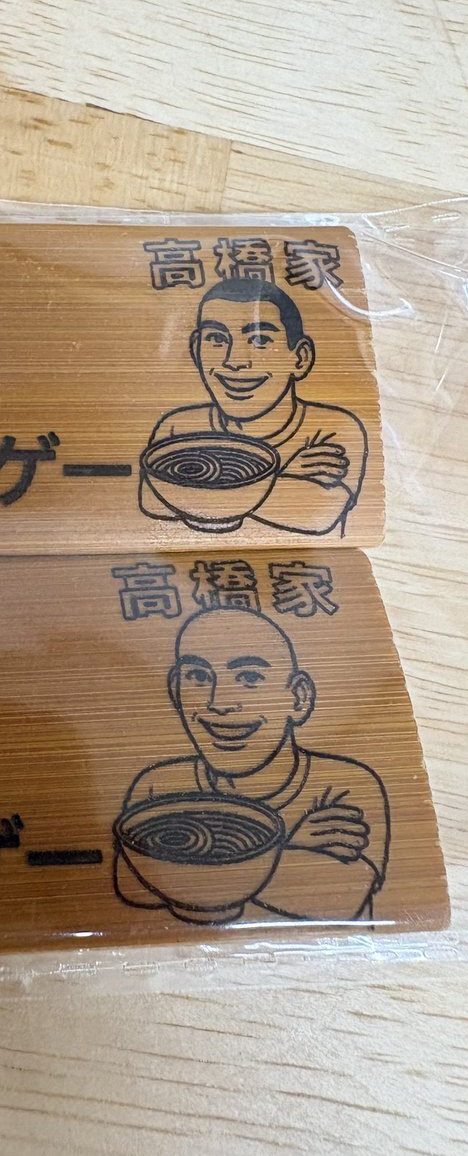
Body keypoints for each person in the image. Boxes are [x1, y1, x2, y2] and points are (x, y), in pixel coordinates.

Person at [114, 607, 389, 921]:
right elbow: (131, 886)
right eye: (199, 677)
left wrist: (189, 872)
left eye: (249, 677)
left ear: (298, 698)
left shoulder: (343, 782)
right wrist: (285, 852)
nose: (218, 703)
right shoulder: (160, 784)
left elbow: (342, 898)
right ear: (176, 691)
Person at [140, 279, 368, 535]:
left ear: (299, 358)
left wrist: (193, 491)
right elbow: (151, 502)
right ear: (196, 350)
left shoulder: (333, 427)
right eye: (216, 338)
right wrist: (280, 481)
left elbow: (318, 513)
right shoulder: (179, 426)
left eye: (260, 339)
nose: (234, 361)